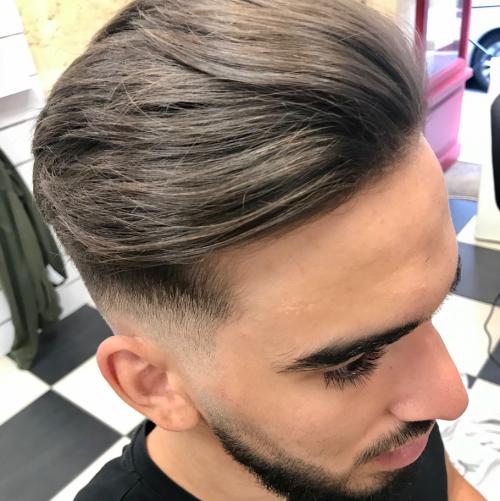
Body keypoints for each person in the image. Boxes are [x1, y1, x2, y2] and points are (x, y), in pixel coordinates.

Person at [31, 1, 486, 499]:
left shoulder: (392, 417)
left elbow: (451, 489)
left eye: (431, 311)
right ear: (155, 384)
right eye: (352, 364)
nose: (449, 398)